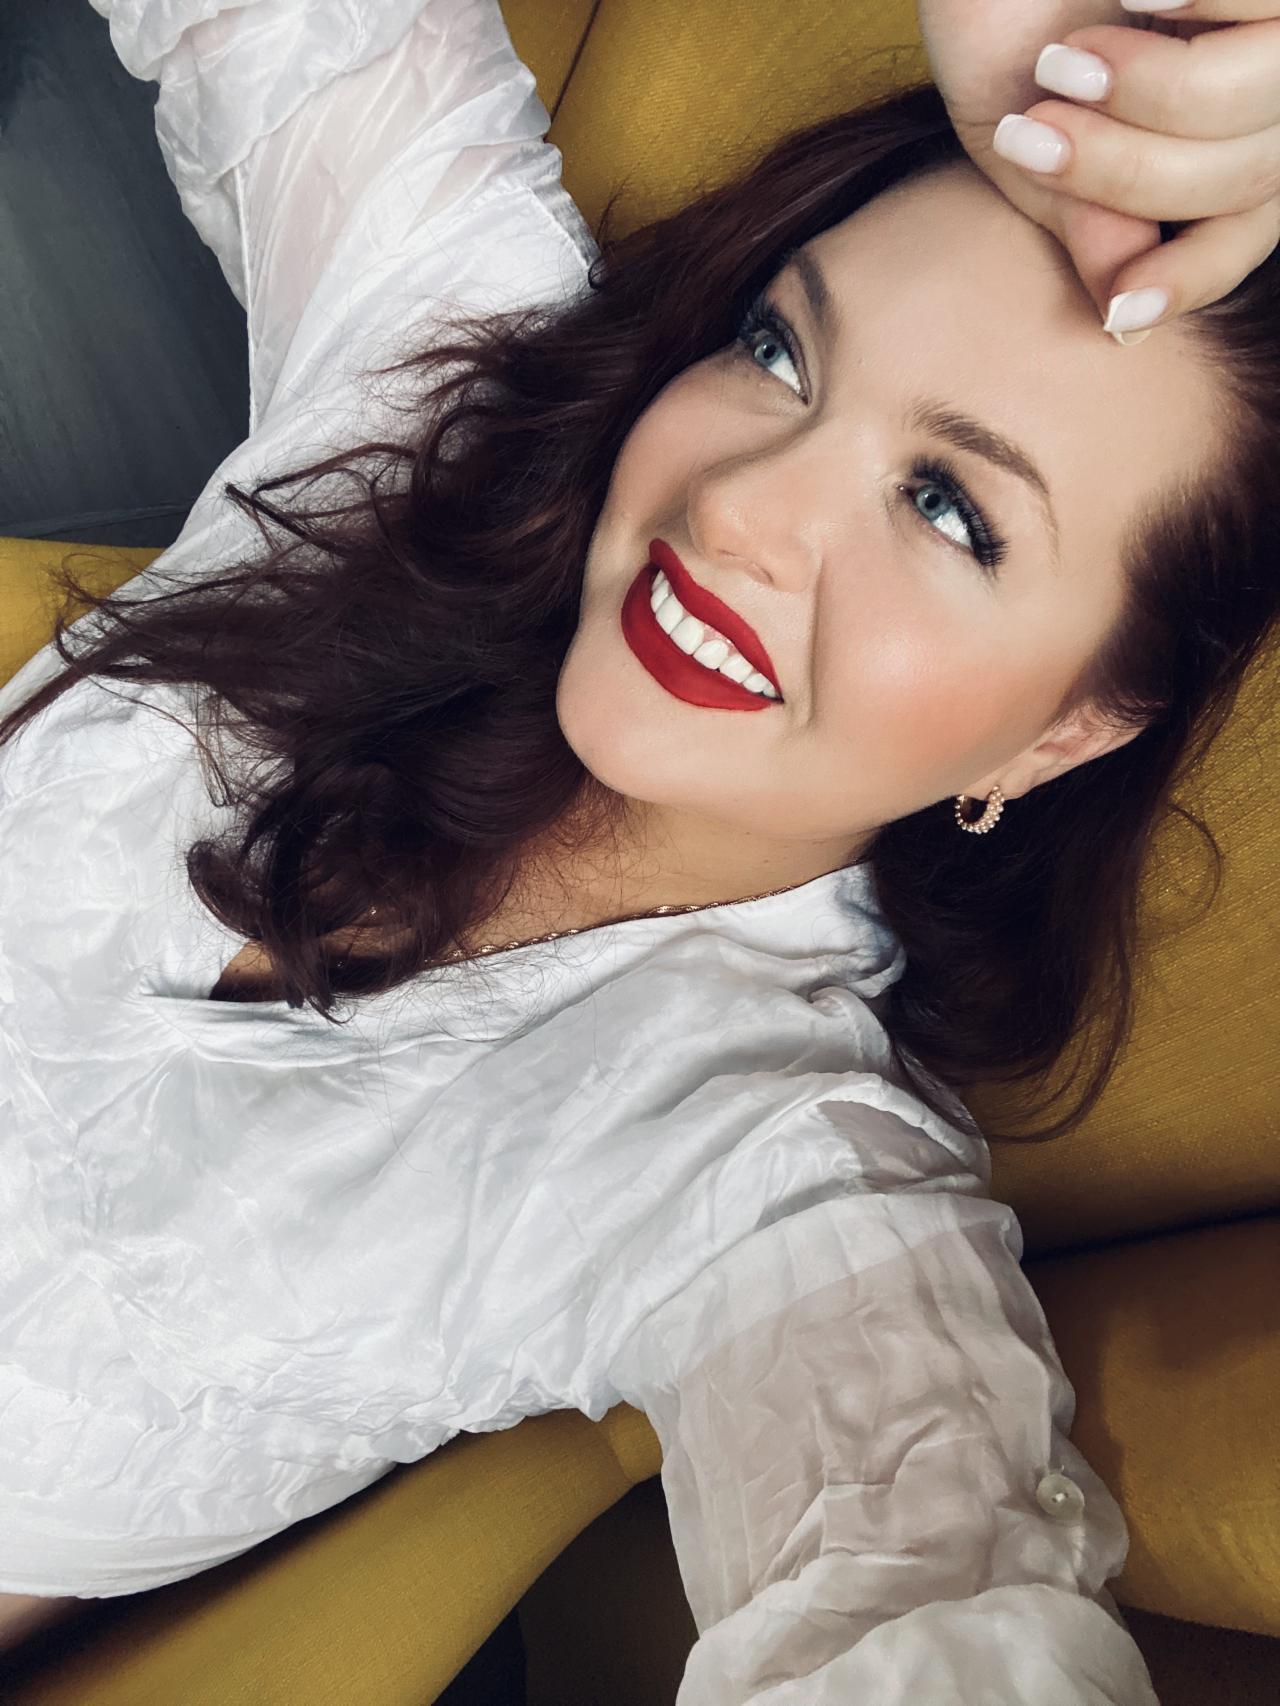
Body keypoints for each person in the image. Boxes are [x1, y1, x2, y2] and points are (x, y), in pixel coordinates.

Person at [1, 1, 1277, 1697]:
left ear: (1068, 729)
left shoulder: (770, 1170)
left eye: (946, 508)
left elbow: (922, 1599)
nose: (741, 505)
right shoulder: (455, 369)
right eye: (780, 350)